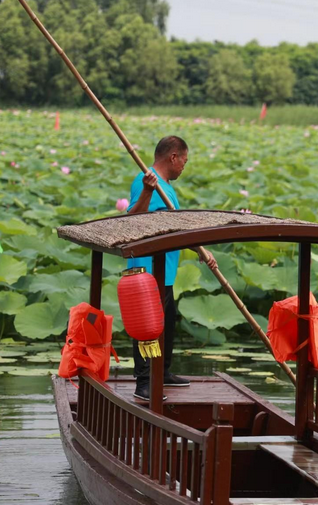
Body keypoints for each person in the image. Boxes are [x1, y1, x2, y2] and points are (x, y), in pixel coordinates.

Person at [126, 135, 216, 401]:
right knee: (147, 328)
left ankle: (162, 372)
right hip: (146, 271)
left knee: (168, 323)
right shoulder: (145, 181)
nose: (183, 168)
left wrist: (200, 248)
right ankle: (144, 382)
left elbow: (172, 228)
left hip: (164, 272)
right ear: (173, 157)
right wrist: (146, 191)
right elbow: (132, 220)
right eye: (184, 162)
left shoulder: (167, 187)